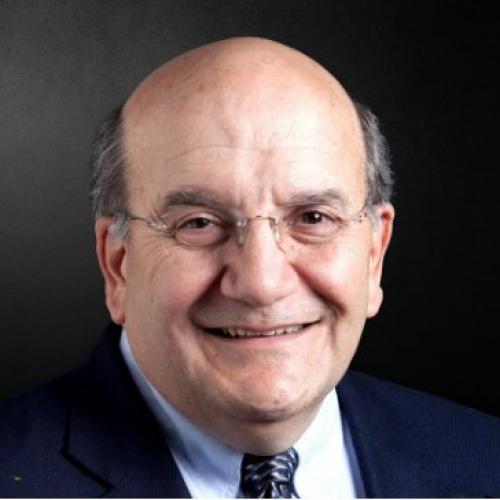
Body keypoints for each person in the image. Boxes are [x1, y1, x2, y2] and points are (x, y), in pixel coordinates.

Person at [1, 37, 499, 498]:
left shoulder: (484, 460)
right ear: (118, 266)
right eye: (199, 223)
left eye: (313, 218)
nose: (262, 284)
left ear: (373, 254)